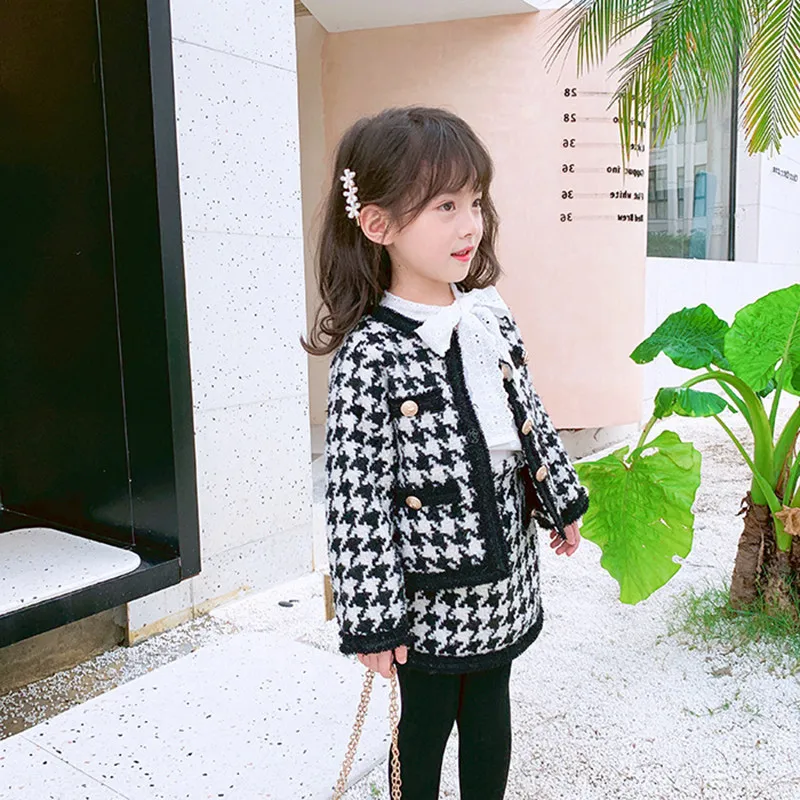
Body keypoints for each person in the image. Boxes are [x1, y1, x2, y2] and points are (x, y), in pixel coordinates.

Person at [302, 106, 589, 800]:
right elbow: (356, 497)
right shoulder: (370, 353)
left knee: (491, 708)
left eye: (475, 201)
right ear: (378, 225)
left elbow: (527, 414)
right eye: (445, 206)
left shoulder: (487, 312)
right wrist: (373, 615)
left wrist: (558, 498)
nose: (470, 225)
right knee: (425, 724)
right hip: (427, 590)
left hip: (505, 567)